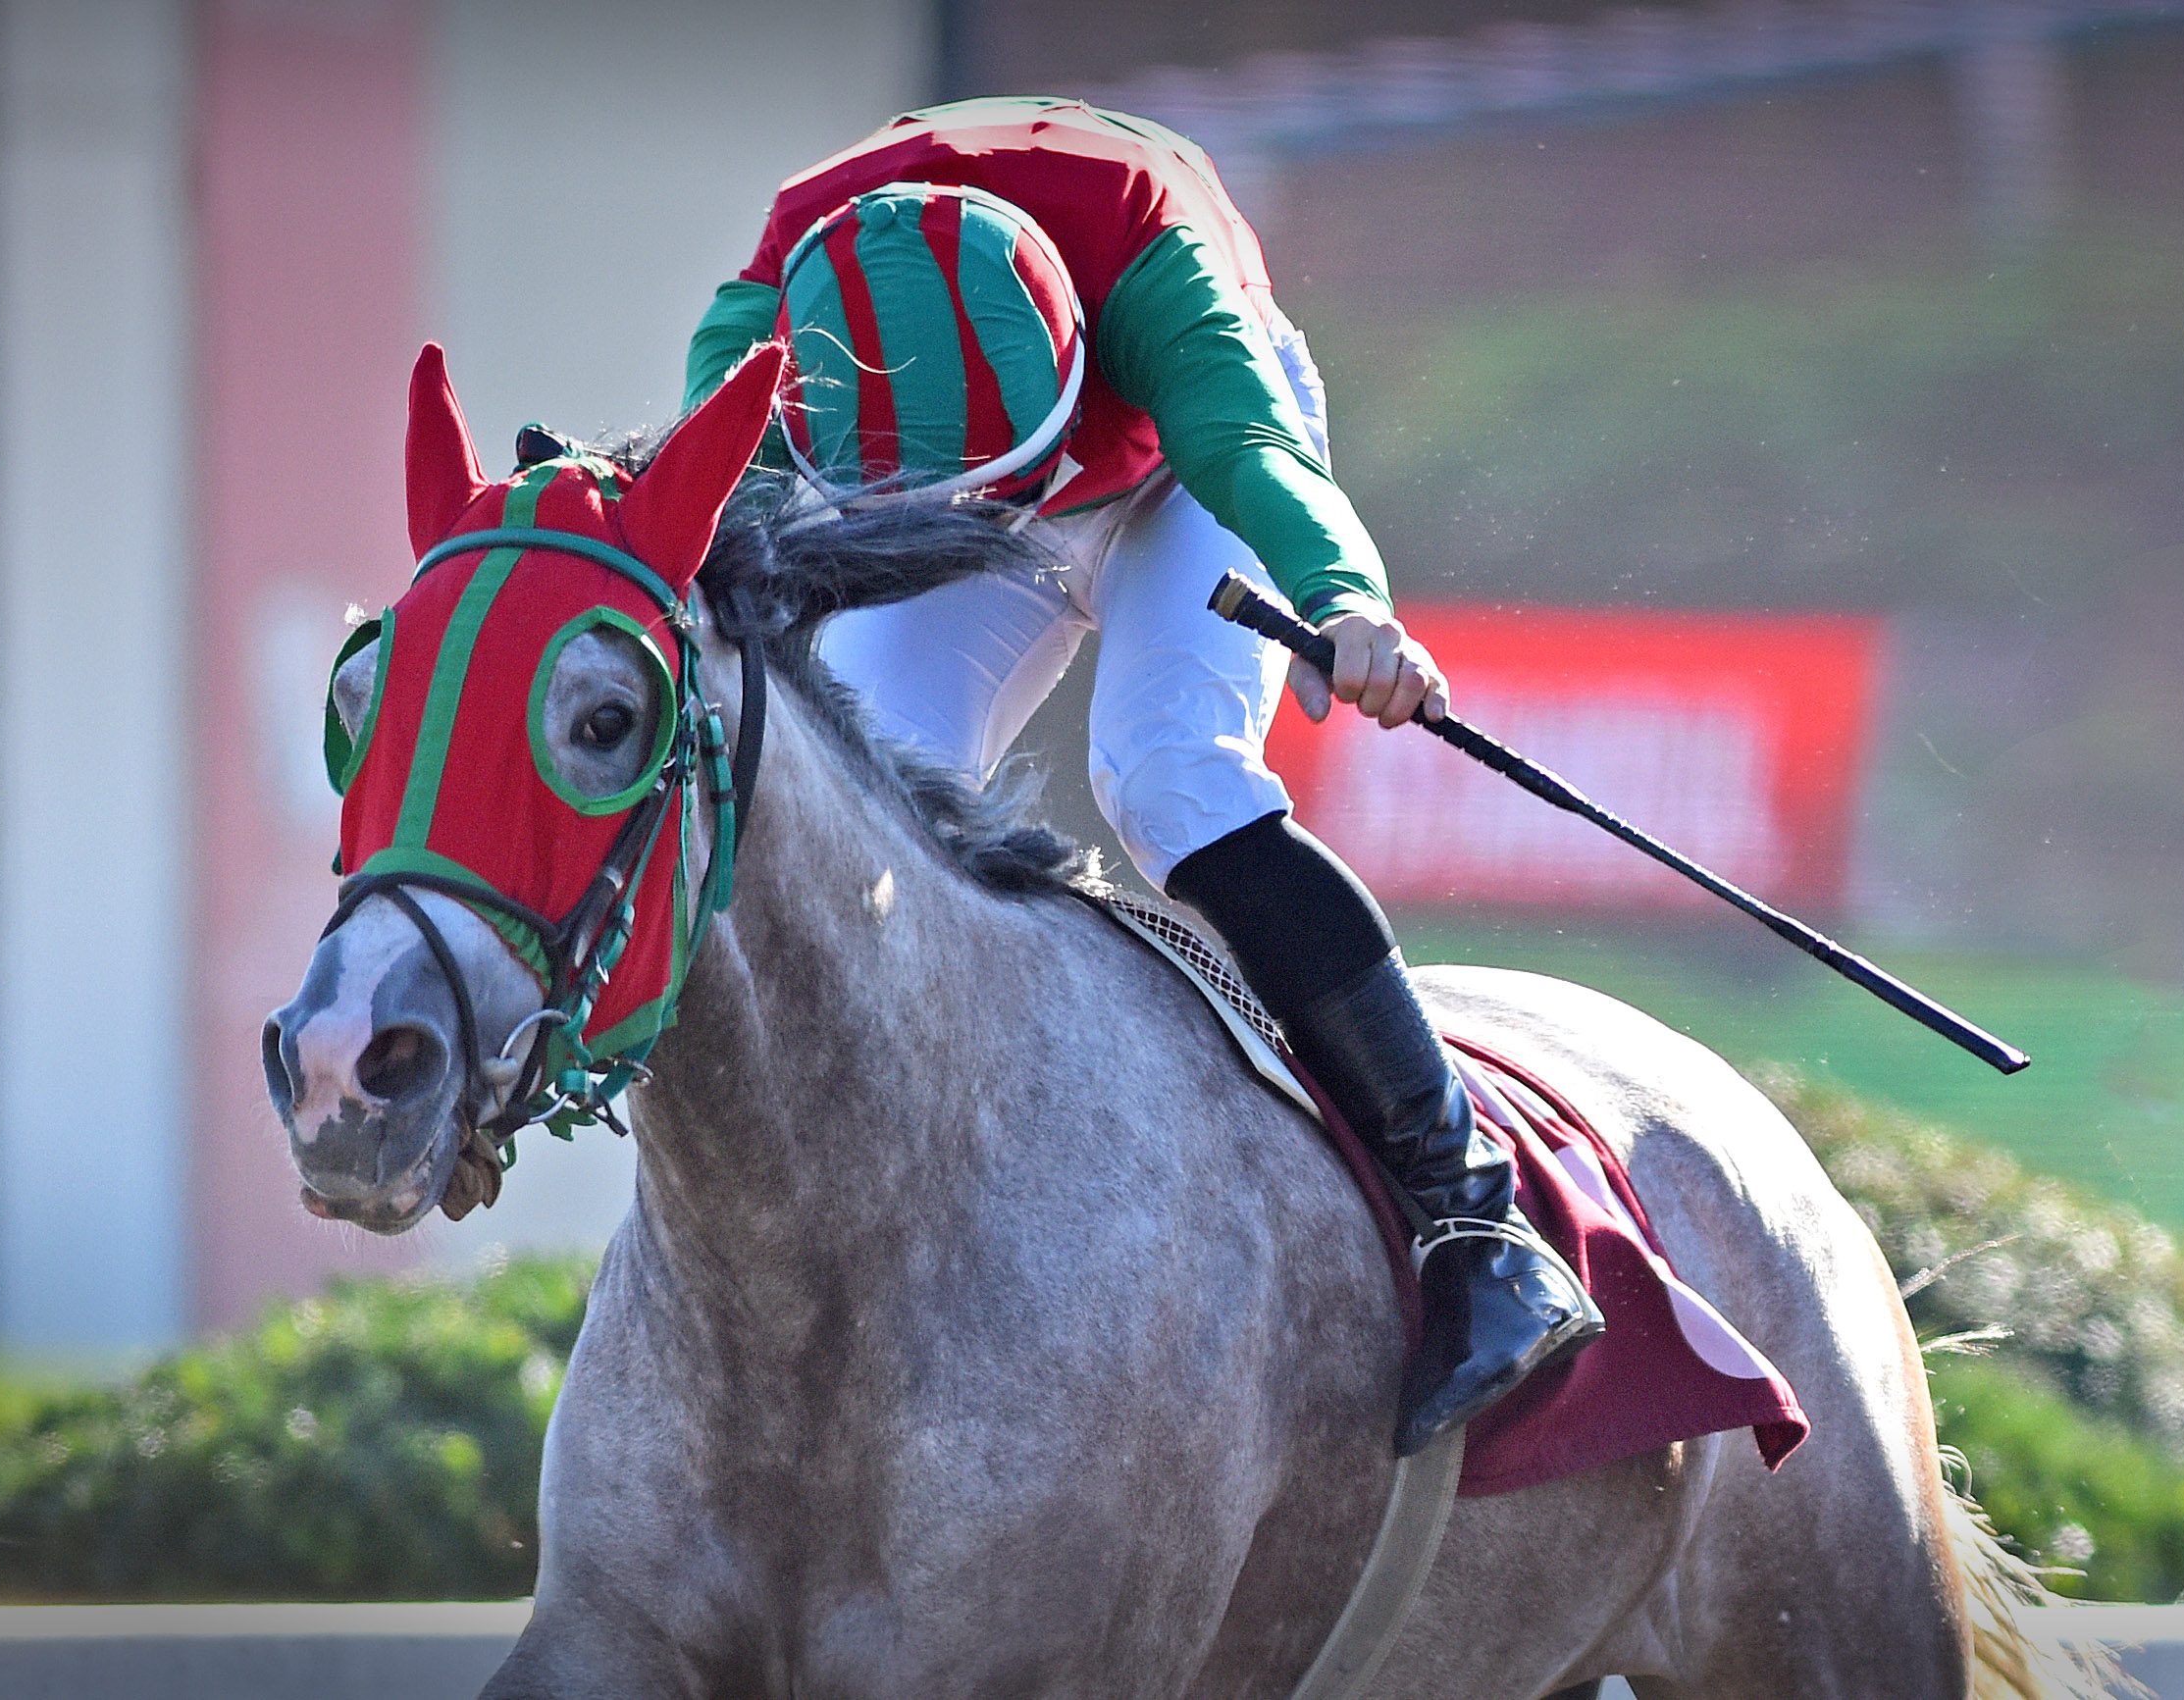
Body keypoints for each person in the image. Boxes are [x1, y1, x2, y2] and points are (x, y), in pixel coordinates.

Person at [683, 97, 1600, 1456]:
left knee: (1170, 779)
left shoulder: (1153, 260)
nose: (1010, 523)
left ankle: (1473, 1221)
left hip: (1179, 465)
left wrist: (1346, 601)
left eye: (1010, 486)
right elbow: (692, 532)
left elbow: (1250, 453)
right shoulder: (763, 320)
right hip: (966, 460)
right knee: (865, 784)